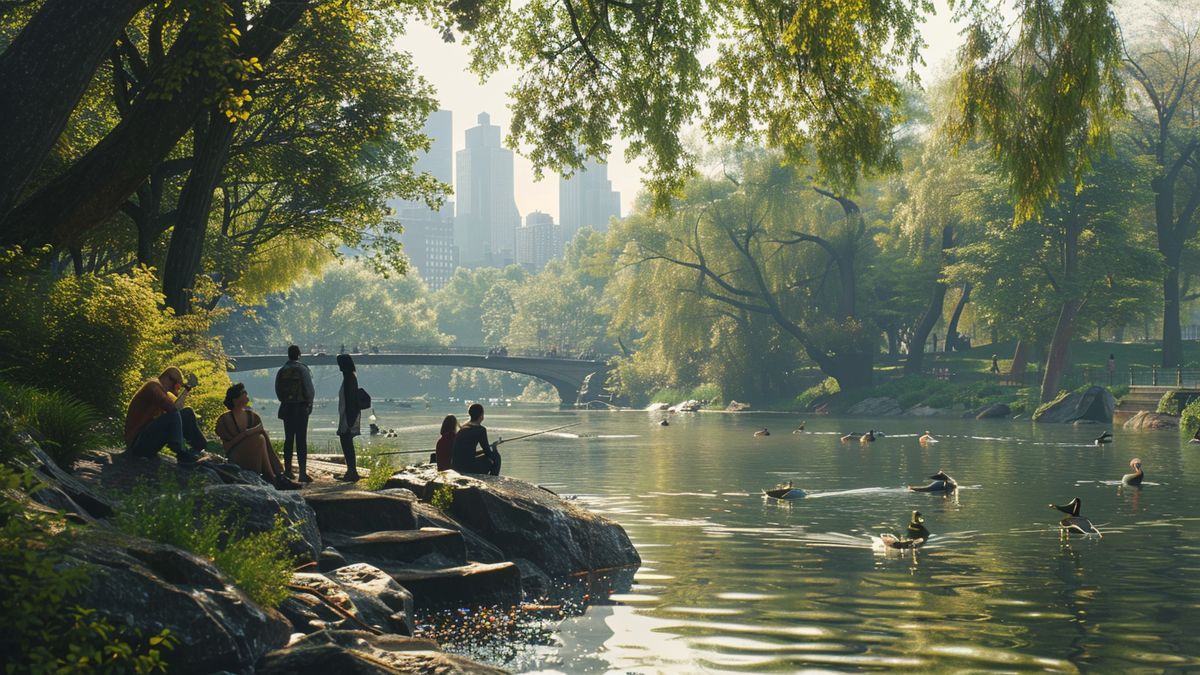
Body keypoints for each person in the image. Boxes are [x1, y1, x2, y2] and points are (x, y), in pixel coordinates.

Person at [215, 383, 300, 490]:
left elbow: (260, 431)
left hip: (256, 454)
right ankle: (274, 477)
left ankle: (275, 476)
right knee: (258, 438)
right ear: (235, 399)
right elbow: (228, 446)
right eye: (243, 393)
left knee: (260, 437)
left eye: (246, 392)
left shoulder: (252, 416)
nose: (246, 395)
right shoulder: (224, 419)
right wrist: (247, 433)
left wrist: (250, 433)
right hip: (236, 457)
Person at [124, 366, 207, 463]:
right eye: (177, 385)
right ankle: (180, 450)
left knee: (187, 412)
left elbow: (178, 410)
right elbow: (173, 410)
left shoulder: (160, 391)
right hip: (137, 443)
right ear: (169, 379)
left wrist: (187, 389)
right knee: (175, 414)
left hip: (147, 440)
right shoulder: (153, 387)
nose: (177, 389)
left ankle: (200, 447)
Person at [275, 345, 315, 483]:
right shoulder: (303, 369)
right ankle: (302, 473)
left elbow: (278, 391)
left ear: (288, 355)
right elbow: (309, 390)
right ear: (299, 355)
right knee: (301, 439)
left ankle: (288, 471)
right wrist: (309, 403)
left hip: (287, 407)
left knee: (289, 438)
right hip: (301, 407)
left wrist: (285, 401)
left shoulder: (282, 370)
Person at [452, 403, 501, 475]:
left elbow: (466, 452)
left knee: (485, 454)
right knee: (496, 456)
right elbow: (488, 453)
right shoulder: (480, 430)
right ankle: (494, 478)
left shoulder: (463, 428)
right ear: (481, 416)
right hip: (468, 468)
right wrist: (494, 447)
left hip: (457, 466)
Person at [336, 353, 362, 481]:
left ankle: (352, 472)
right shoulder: (349, 377)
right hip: (346, 414)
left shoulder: (349, 378)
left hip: (348, 415)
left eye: (340, 364)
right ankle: (351, 471)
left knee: (346, 442)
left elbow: (350, 400)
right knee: (346, 442)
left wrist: (350, 419)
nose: (339, 366)